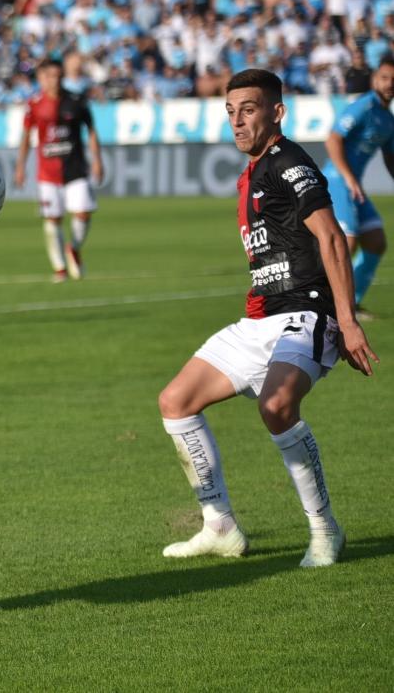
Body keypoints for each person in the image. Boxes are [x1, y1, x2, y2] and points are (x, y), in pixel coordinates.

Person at [157, 69, 377, 569]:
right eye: (231, 112)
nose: (237, 121)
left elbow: (332, 238)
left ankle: (325, 530)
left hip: (307, 311)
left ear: (277, 112)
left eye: (249, 109)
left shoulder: (289, 162)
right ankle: (219, 525)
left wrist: (346, 319)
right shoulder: (253, 169)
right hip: (261, 318)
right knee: (176, 402)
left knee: (277, 406)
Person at [12, 58, 103, 282]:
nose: (55, 80)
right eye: (50, 76)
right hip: (48, 173)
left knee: (83, 212)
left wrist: (97, 160)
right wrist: (21, 166)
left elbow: (90, 130)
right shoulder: (34, 104)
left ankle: (75, 247)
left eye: (58, 75)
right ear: (41, 78)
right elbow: (26, 136)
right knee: (53, 219)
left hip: (76, 168)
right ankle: (59, 267)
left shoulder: (76, 100)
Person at [322, 58, 394, 318]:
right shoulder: (363, 107)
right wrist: (349, 178)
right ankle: (326, 304)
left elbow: (390, 158)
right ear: (376, 78)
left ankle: (352, 302)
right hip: (337, 180)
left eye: (393, 80)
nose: (389, 84)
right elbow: (332, 140)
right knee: (346, 242)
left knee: (376, 241)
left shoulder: (387, 119)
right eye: (385, 78)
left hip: (354, 185)